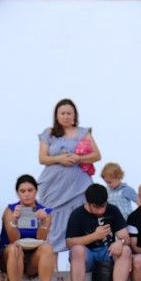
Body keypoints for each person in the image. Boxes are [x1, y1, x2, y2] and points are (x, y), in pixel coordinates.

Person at [36, 98, 97, 255]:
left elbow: (97, 155)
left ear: (74, 115)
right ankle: (52, 269)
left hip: (78, 188)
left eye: (69, 113)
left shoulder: (83, 132)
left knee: (78, 223)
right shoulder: (48, 133)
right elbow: (42, 158)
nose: (66, 116)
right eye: (62, 113)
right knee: (51, 225)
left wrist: (79, 159)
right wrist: (59, 159)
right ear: (56, 115)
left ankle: (77, 264)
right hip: (54, 187)